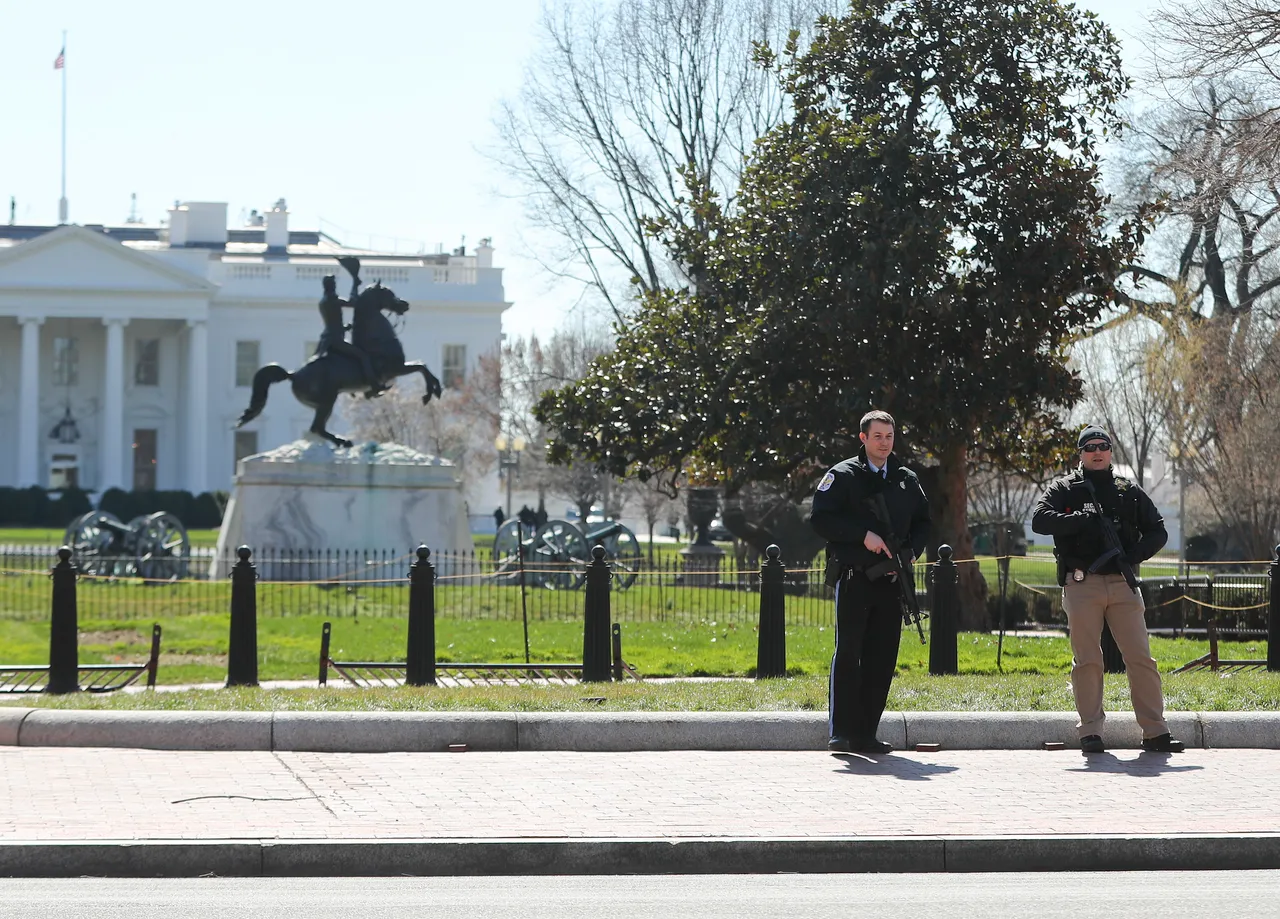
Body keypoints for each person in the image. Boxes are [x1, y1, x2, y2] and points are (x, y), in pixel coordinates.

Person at [1031, 425, 1185, 754]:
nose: (1097, 451)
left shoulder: (1127, 490)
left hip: (1122, 583)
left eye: (1103, 445)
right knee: (1088, 660)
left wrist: (1130, 557)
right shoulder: (1065, 488)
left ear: (1111, 451)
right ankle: (1090, 732)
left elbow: (1158, 532)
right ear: (1080, 454)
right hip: (1081, 582)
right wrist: (1079, 519)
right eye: (1089, 447)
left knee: (1140, 657)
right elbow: (1040, 520)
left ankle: (1156, 731)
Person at [809, 410, 930, 755]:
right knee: (849, 652)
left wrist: (912, 552)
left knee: (882, 657)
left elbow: (923, 521)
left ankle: (866, 733)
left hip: (892, 582)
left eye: (889, 437)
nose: (884, 443)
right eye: (877, 436)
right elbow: (821, 519)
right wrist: (863, 536)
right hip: (855, 577)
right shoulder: (843, 475)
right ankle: (842, 732)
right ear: (862, 438)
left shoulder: (905, 479)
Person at [315, 274, 383, 397]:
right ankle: (373, 387)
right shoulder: (332, 300)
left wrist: (345, 327)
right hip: (335, 339)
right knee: (363, 357)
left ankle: (354, 387)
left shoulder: (323, 301)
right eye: (334, 285)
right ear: (331, 286)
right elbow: (353, 302)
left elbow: (332, 322)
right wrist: (355, 284)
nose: (335, 287)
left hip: (328, 338)